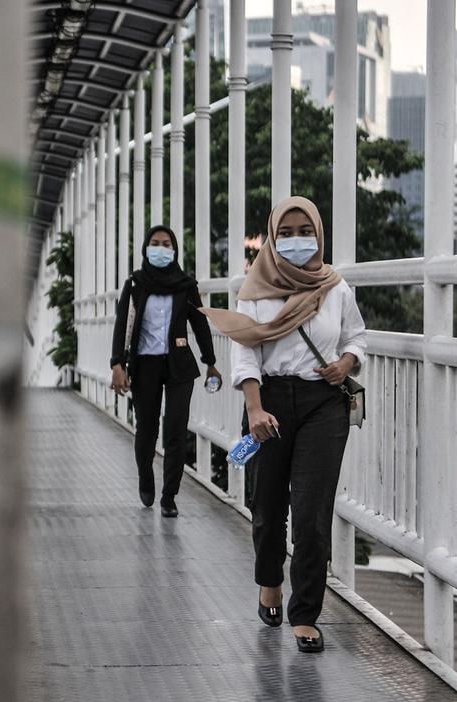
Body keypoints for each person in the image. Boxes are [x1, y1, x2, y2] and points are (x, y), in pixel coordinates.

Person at [201, 196, 367, 654]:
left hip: (322, 404)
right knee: (268, 506)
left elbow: (356, 335)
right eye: (287, 232)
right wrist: (253, 409)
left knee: (312, 514)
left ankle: (306, 613)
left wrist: (347, 362)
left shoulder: (335, 287)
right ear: (272, 237)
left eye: (306, 231)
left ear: (319, 233)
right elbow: (244, 349)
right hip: (267, 401)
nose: (297, 240)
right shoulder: (254, 290)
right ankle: (269, 581)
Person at [110, 225, 221, 517]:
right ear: (146, 248)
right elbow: (122, 324)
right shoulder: (135, 284)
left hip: (179, 365)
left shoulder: (185, 285)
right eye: (156, 243)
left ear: (174, 251)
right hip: (144, 364)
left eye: (167, 244)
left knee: (175, 429)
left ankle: (169, 496)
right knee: (146, 429)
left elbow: (199, 324)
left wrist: (211, 361)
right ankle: (145, 475)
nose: (161, 248)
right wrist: (117, 363)